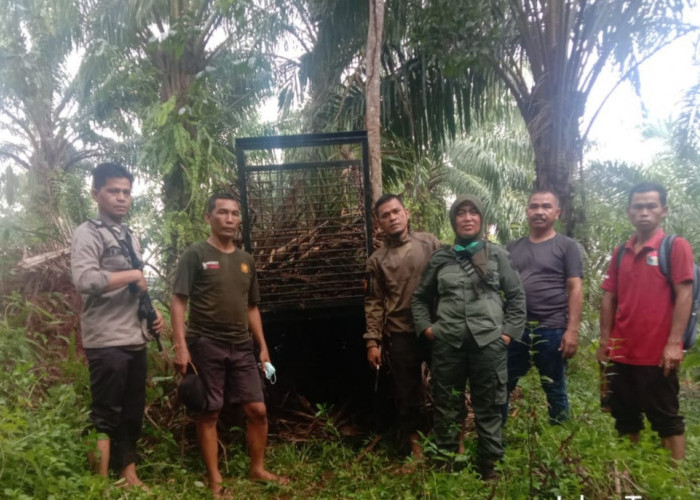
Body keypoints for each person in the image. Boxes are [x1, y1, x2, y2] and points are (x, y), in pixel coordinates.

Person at [171, 192, 289, 497]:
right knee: (209, 412)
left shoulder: (245, 260)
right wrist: (181, 345)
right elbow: (178, 301)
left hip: (241, 345)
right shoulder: (195, 255)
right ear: (208, 217)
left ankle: (257, 468)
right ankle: (215, 480)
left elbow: (252, 307)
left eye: (235, 214)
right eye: (222, 213)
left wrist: (261, 346)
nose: (230, 219)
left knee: (257, 409)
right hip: (206, 343)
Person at [412, 195, 526, 479]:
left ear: (481, 219)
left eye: (473, 212)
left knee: (489, 407)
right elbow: (419, 298)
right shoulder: (441, 258)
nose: (467, 217)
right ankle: (448, 464)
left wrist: (507, 336)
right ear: (454, 220)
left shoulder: (497, 255)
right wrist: (428, 329)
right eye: (460, 213)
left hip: (489, 344)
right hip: (447, 345)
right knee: (447, 406)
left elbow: (516, 297)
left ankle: (490, 468)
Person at [71, 162, 164, 488]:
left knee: (131, 412)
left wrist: (152, 314)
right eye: (113, 191)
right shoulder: (88, 232)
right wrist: (133, 276)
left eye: (126, 191)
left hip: (134, 337)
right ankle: (98, 483)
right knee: (105, 413)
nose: (121, 197)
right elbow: (85, 279)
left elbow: (133, 288)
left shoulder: (130, 236)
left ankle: (129, 474)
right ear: (96, 193)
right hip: (106, 339)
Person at [598, 182, 693, 462]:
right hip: (621, 353)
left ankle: (673, 485)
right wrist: (605, 342)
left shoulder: (675, 247)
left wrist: (674, 344)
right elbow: (609, 298)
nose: (644, 212)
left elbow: (684, 294)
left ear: (663, 210)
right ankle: (631, 478)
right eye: (638, 206)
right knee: (625, 418)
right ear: (629, 211)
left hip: (657, 355)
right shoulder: (621, 252)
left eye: (651, 206)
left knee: (666, 419)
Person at [364, 194, 441, 460]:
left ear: (406, 213)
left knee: (445, 386)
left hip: (435, 330)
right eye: (385, 215)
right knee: (406, 396)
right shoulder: (377, 260)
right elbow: (373, 302)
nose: (392, 218)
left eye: (396, 211)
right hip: (400, 334)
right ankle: (417, 450)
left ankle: (454, 443)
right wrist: (372, 341)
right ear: (378, 223)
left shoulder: (430, 243)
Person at [504, 190, 583, 424]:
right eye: (534, 206)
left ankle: (559, 442)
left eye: (546, 206)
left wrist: (572, 331)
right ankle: (495, 437)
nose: (539, 211)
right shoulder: (512, 247)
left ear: (557, 213)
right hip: (515, 329)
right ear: (527, 211)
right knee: (503, 384)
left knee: (554, 387)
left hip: (552, 328)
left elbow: (575, 288)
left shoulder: (567, 246)